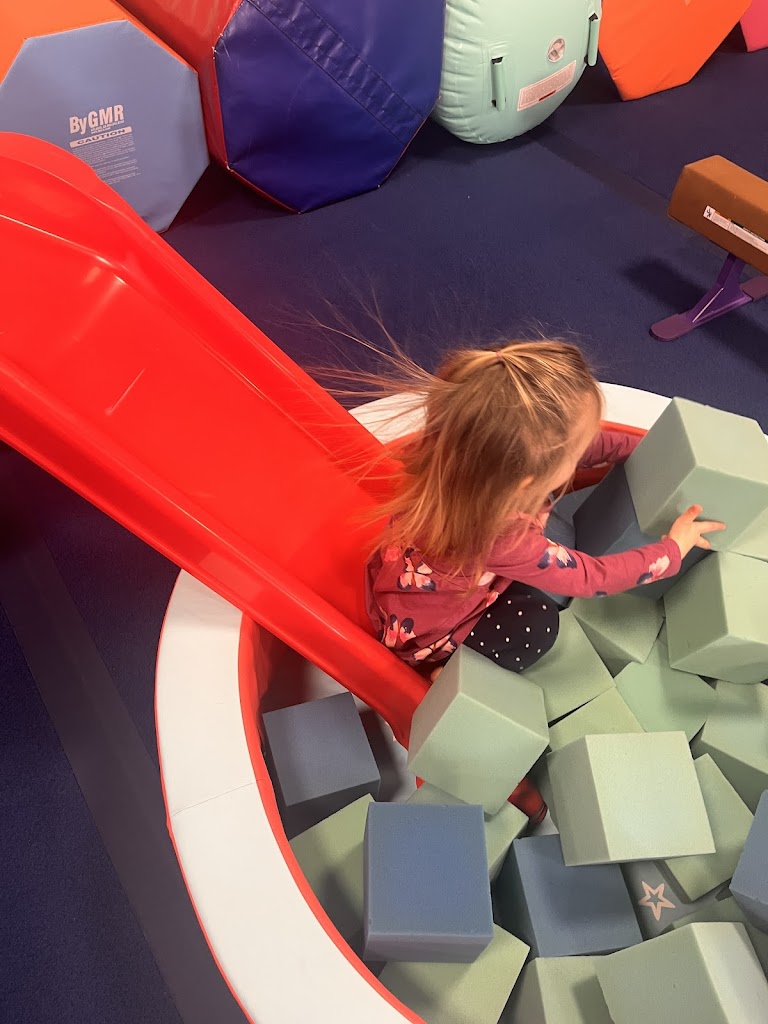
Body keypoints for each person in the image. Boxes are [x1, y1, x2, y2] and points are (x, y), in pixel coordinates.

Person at [364, 339, 725, 674]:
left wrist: (653, 451)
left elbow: (580, 447)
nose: (584, 449)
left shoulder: (468, 460)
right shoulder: (503, 537)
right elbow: (592, 578)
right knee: (537, 624)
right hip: (429, 632)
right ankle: (448, 672)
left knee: (548, 562)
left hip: (410, 584)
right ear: (528, 479)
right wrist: (671, 551)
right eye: (574, 451)